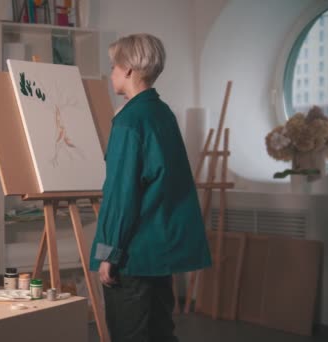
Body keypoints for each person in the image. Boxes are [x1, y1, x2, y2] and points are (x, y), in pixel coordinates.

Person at [89, 33, 212, 342]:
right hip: (161, 252)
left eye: (114, 66)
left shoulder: (129, 121)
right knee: (160, 333)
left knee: (130, 335)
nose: (112, 73)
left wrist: (109, 253)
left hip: (134, 255)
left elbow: (122, 195)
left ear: (129, 69)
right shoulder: (162, 113)